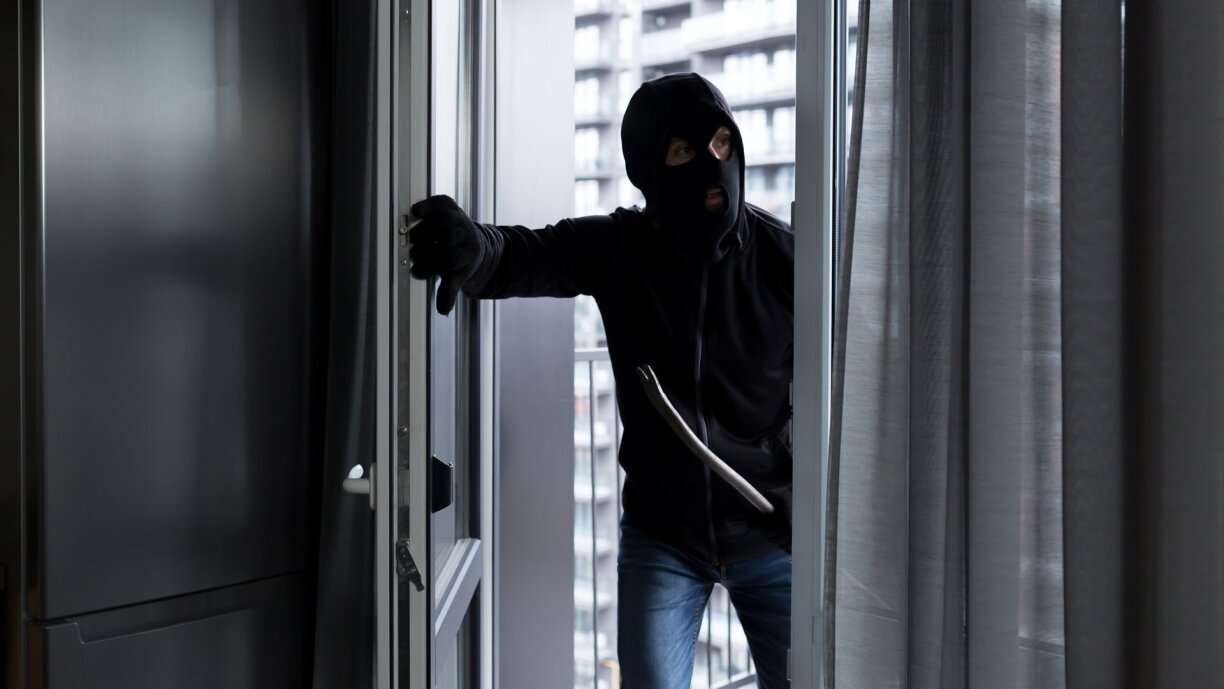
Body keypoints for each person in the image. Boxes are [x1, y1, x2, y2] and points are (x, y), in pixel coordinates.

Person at [409, 72, 793, 689]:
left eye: (721, 143)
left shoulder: (784, 259)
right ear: (647, 170)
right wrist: (469, 248)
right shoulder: (622, 249)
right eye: (684, 151)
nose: (712, 166)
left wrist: (801, 492)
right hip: (664, 538)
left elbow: (848, 396)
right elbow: (519, 255)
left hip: (773, 533)